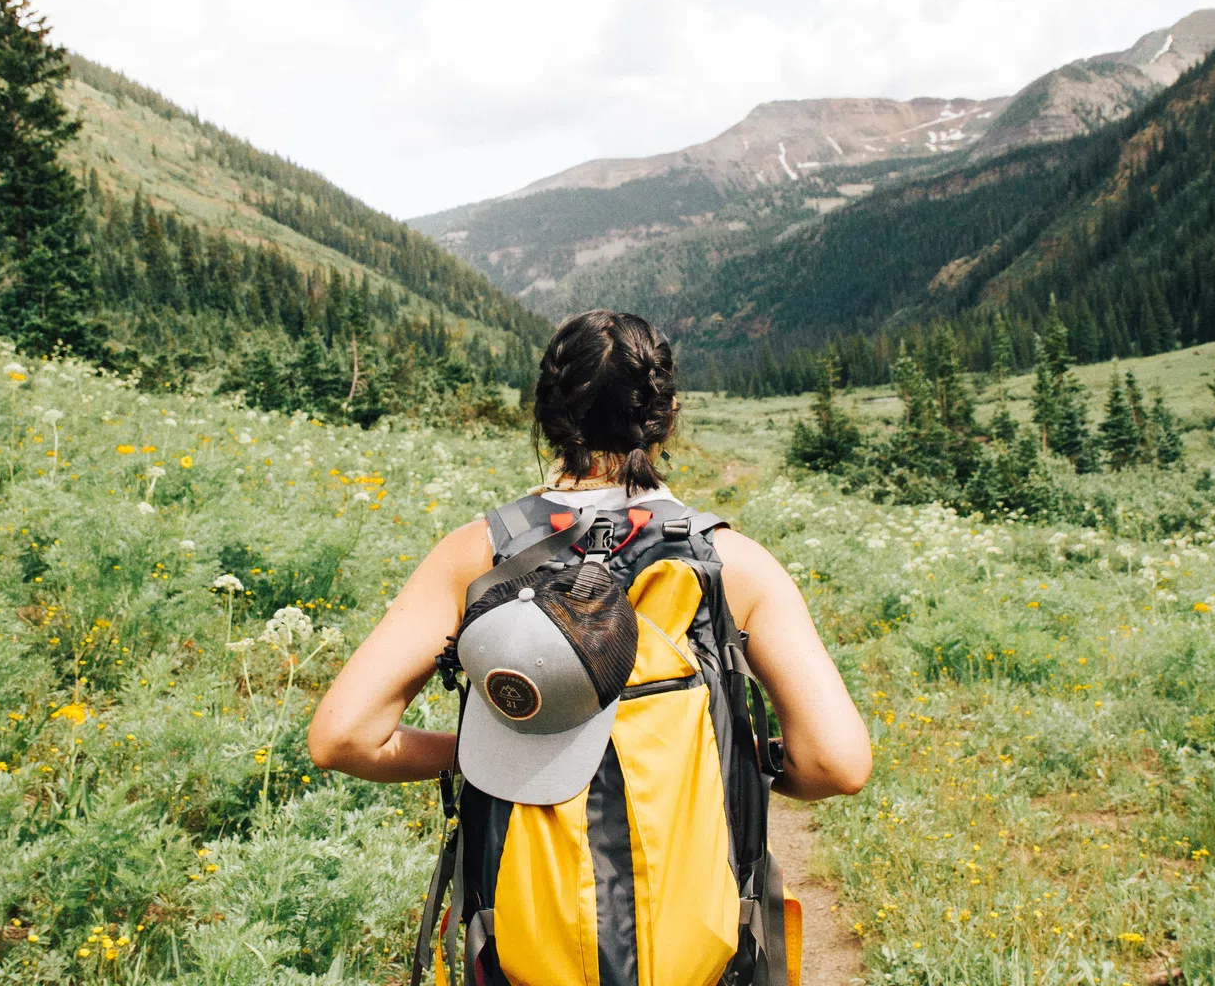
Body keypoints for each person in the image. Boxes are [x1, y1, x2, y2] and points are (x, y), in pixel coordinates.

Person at [308, 309, 871, 982]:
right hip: (698, 957)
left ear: (545, 416)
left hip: (527, 955)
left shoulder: (478, 556)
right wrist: (742, 759)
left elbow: (343, 737)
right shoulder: (732, 563)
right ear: (667, 415)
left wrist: (492, 749)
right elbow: (838, 764)